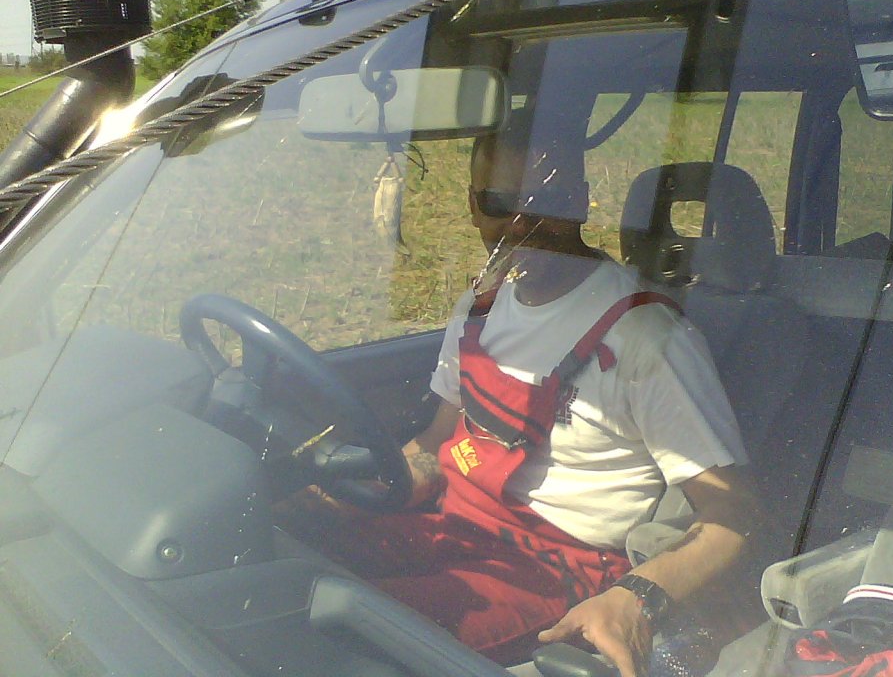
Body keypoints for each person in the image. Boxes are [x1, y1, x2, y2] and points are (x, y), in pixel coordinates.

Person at [278, 120, 760, 677]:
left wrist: (638, 599)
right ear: (473, 206)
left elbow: (734, 513)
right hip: (454, 523)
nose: (521, 222)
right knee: (282, 565)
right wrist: (339, 500)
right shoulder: (480, 307)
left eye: (544, 201)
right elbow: (438, 443)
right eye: (499, 202)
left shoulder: (645, 337)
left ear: (579, 202)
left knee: (337, 636)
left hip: (555, 568)